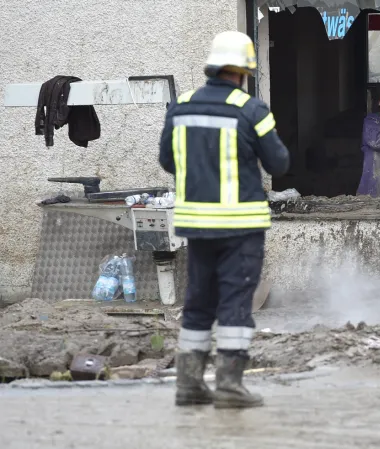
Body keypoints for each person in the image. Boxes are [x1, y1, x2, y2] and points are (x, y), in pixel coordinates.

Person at [158, 30, 290, 409]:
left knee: (198, 301)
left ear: (213, 67)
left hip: (196, 226)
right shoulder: (252, 110)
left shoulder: (180, 106)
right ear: (244, 70)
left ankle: (189, 385)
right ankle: (230, 386)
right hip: (239, 227)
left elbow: (168, 160)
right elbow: (279, 163)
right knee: (234, 302)